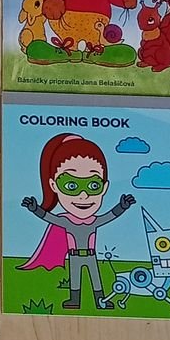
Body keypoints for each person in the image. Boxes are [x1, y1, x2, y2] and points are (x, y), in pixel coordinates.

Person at [20, 132, 135, 311]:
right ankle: (74, 300)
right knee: (75, 279)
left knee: (96, 279)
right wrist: (35, 209)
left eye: (93, 185)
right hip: (74, 256)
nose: (83, 195)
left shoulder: (94, 221)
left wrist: (122, 207)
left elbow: (110, 216)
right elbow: (49, 217)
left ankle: (100, 301)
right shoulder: (66, 221)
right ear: (54, 185)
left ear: (105, 187)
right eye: (71, 185)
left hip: (90, 255)